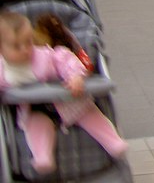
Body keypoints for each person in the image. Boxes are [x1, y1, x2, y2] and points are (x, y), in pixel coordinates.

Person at [0, 11, 128, 175]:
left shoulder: (44, 56)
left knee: (89, 113)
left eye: (29, 42)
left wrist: (75, 76)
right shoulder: (3, 71)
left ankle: (113, 142)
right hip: (33, 110)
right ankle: (43, 158)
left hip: (66, 102)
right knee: (36, 126)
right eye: (17, 46)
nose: (25, 49)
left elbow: (65, 58)